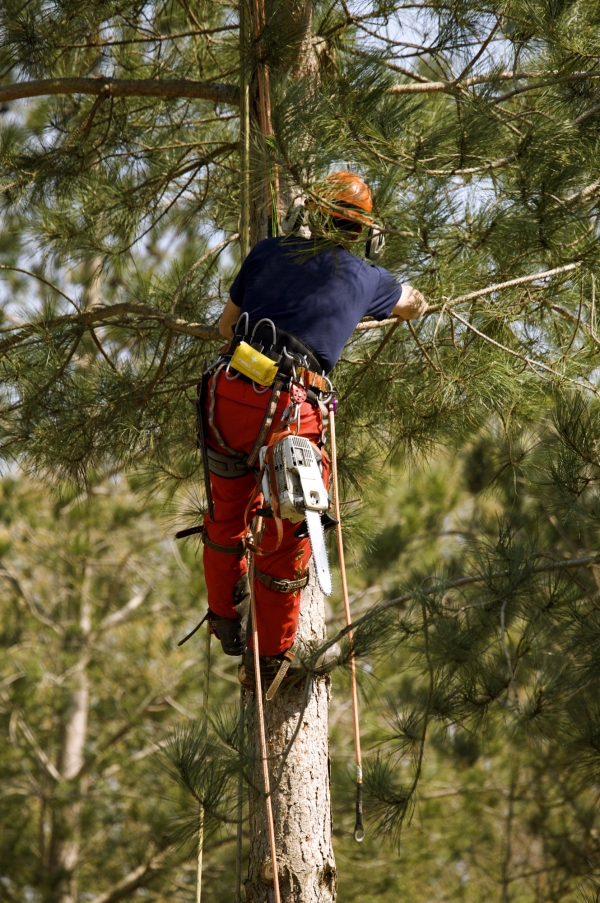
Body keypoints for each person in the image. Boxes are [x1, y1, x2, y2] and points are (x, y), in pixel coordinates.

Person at [199, 172, 427, 685]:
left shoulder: (268, 250)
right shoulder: (369, 278)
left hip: (229, 393)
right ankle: (268, 659)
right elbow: (412, 303)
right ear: (364, 231)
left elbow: (225, 327)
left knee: (226, 511)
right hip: (288, 407)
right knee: (288, 530)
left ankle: (224, 613)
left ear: (315, 216)